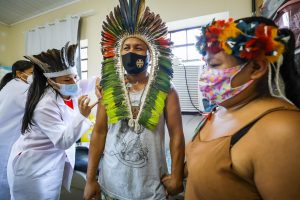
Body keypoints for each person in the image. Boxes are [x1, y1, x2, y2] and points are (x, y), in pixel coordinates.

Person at [185, 16, 300, 199]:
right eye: (205, 64)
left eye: (214, 65)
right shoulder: (220, 110)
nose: (205, 73)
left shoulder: (282, 131)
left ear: (255, 67)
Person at [83, 0, 185, 199]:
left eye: (138, 48)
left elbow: (177, 135)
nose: (131, 53)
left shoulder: (167, 90)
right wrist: (90, 179)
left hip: (151, 188)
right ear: (118, 53)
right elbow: (100, 132)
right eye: (126, 48)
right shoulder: (109, 88)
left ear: (150, 53)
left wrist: (177, 175)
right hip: (111, 184)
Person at [7, 42, 99, 200]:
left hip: (51, 162)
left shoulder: (71, 90)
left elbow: (93, 80)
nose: (74, 83)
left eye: (75, 77)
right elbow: (62, 141)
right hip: (33, 167)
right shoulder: (44, 105)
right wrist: (82, 115)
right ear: (51, 81)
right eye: (67, 80)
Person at [0, 60, 33, 200]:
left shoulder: (9, 86)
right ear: (20, 73)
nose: (35, 77)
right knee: (5, 180)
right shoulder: (22, 89)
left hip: (4, 138)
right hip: (8, 141)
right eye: (32, 73)